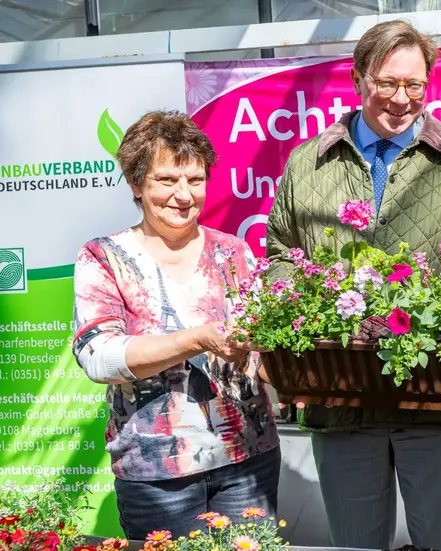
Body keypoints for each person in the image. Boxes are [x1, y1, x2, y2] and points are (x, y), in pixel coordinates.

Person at [264, 19, 441, 551]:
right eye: (387, 83)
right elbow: (282, 252)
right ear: (358, 78)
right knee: (355, 545)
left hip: (436, 398)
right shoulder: (310, 162)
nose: (401, 99)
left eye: (414, 85)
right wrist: (305, 315)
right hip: (340, 398)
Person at [71, 111, 281, 539]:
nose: (184, 195)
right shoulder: (104, 258)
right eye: (167, 180)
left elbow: (264, 348)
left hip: (247, 459)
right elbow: (99, 357)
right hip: (158, 474)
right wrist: (197, 339)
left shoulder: (233, 252)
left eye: (195, 180)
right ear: (136, 183)